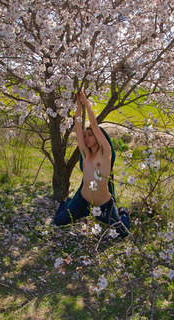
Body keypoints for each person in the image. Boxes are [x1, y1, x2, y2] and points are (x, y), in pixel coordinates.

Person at [54, 91, 129, 237]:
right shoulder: (86, 155)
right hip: (82, 202)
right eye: (85, 135)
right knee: (59, 221)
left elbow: (94, 124)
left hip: (104, 206)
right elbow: (77, 128)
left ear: (99, 136)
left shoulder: (105, 152)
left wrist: (86, 103)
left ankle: (123, 211)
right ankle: (66, 202)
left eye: (90, 135)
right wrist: (78, 106)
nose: (86, 138)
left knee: (123, 232)